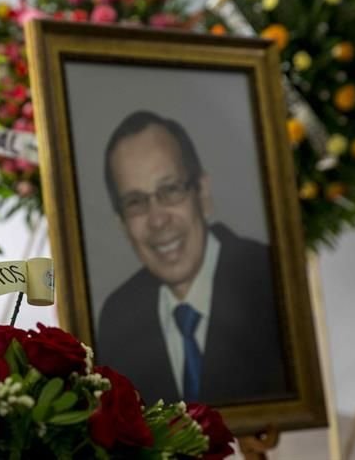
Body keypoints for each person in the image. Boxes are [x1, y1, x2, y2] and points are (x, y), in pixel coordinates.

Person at [97, 110, 288, 406]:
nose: (157, 220)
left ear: (203, 193)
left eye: (170, 190)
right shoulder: (117, 320)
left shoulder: (274, 281)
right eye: (135, 202)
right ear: (123, 225)